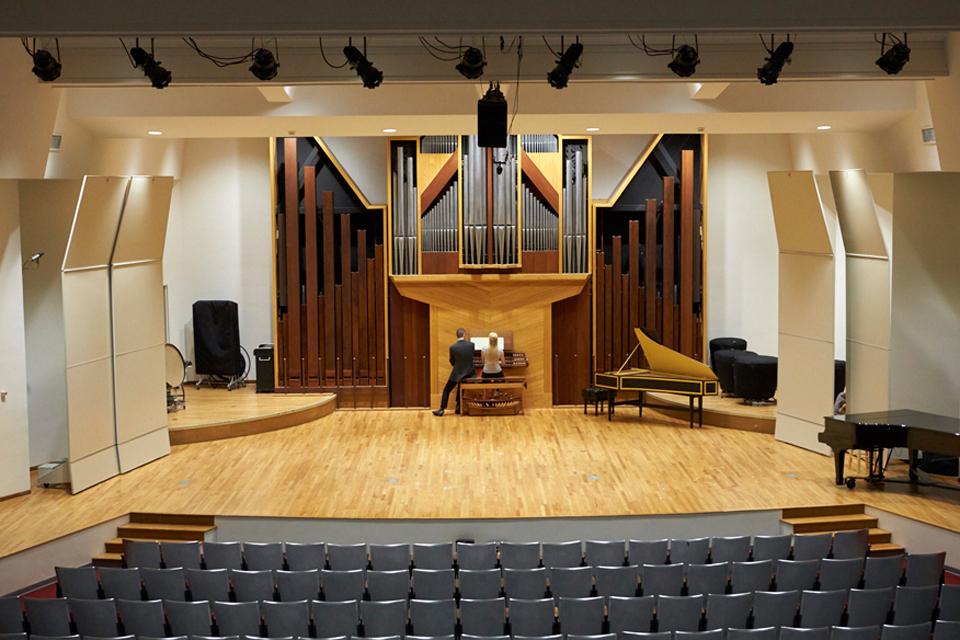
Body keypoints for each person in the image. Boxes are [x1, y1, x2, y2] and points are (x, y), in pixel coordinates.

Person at [433, 327, 476, 416]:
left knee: (447, 389)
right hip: (470, 373)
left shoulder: (453, 347)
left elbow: (451, 360)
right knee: (461, 384)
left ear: (457, 335)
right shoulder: (471, 345)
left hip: (458, 373)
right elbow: (472, 357)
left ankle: (442, 409)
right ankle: (458, 406)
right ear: (464, 334)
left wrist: (457, 367)